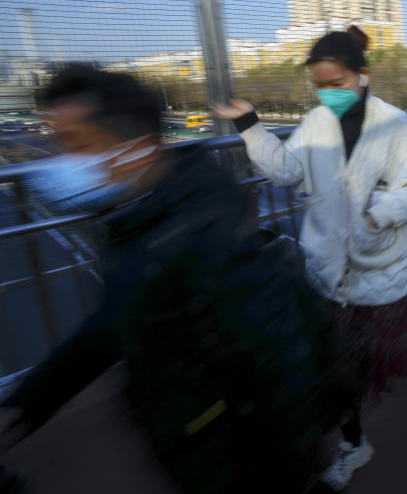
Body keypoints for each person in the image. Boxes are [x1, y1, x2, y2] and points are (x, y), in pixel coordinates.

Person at [0, 66, 353, 493]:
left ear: (137, 149)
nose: (61, 161)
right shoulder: (141, 224)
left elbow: (281, 372)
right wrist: (29, 402)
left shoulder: (199, 244)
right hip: (196, 447)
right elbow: (119, 319)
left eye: (77, 145)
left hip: (237, 464)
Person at [214, 31, 407, 492]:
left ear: (362, 75)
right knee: (337, 370)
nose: (329, 93)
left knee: (403, 345)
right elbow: (287, 170)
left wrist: (378, 213)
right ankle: (353, 443)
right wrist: (250, 125)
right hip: (329, 271)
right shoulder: (315, 121)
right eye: (320, 84)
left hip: (382, 266)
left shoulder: (395, 124)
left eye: (337, 81)